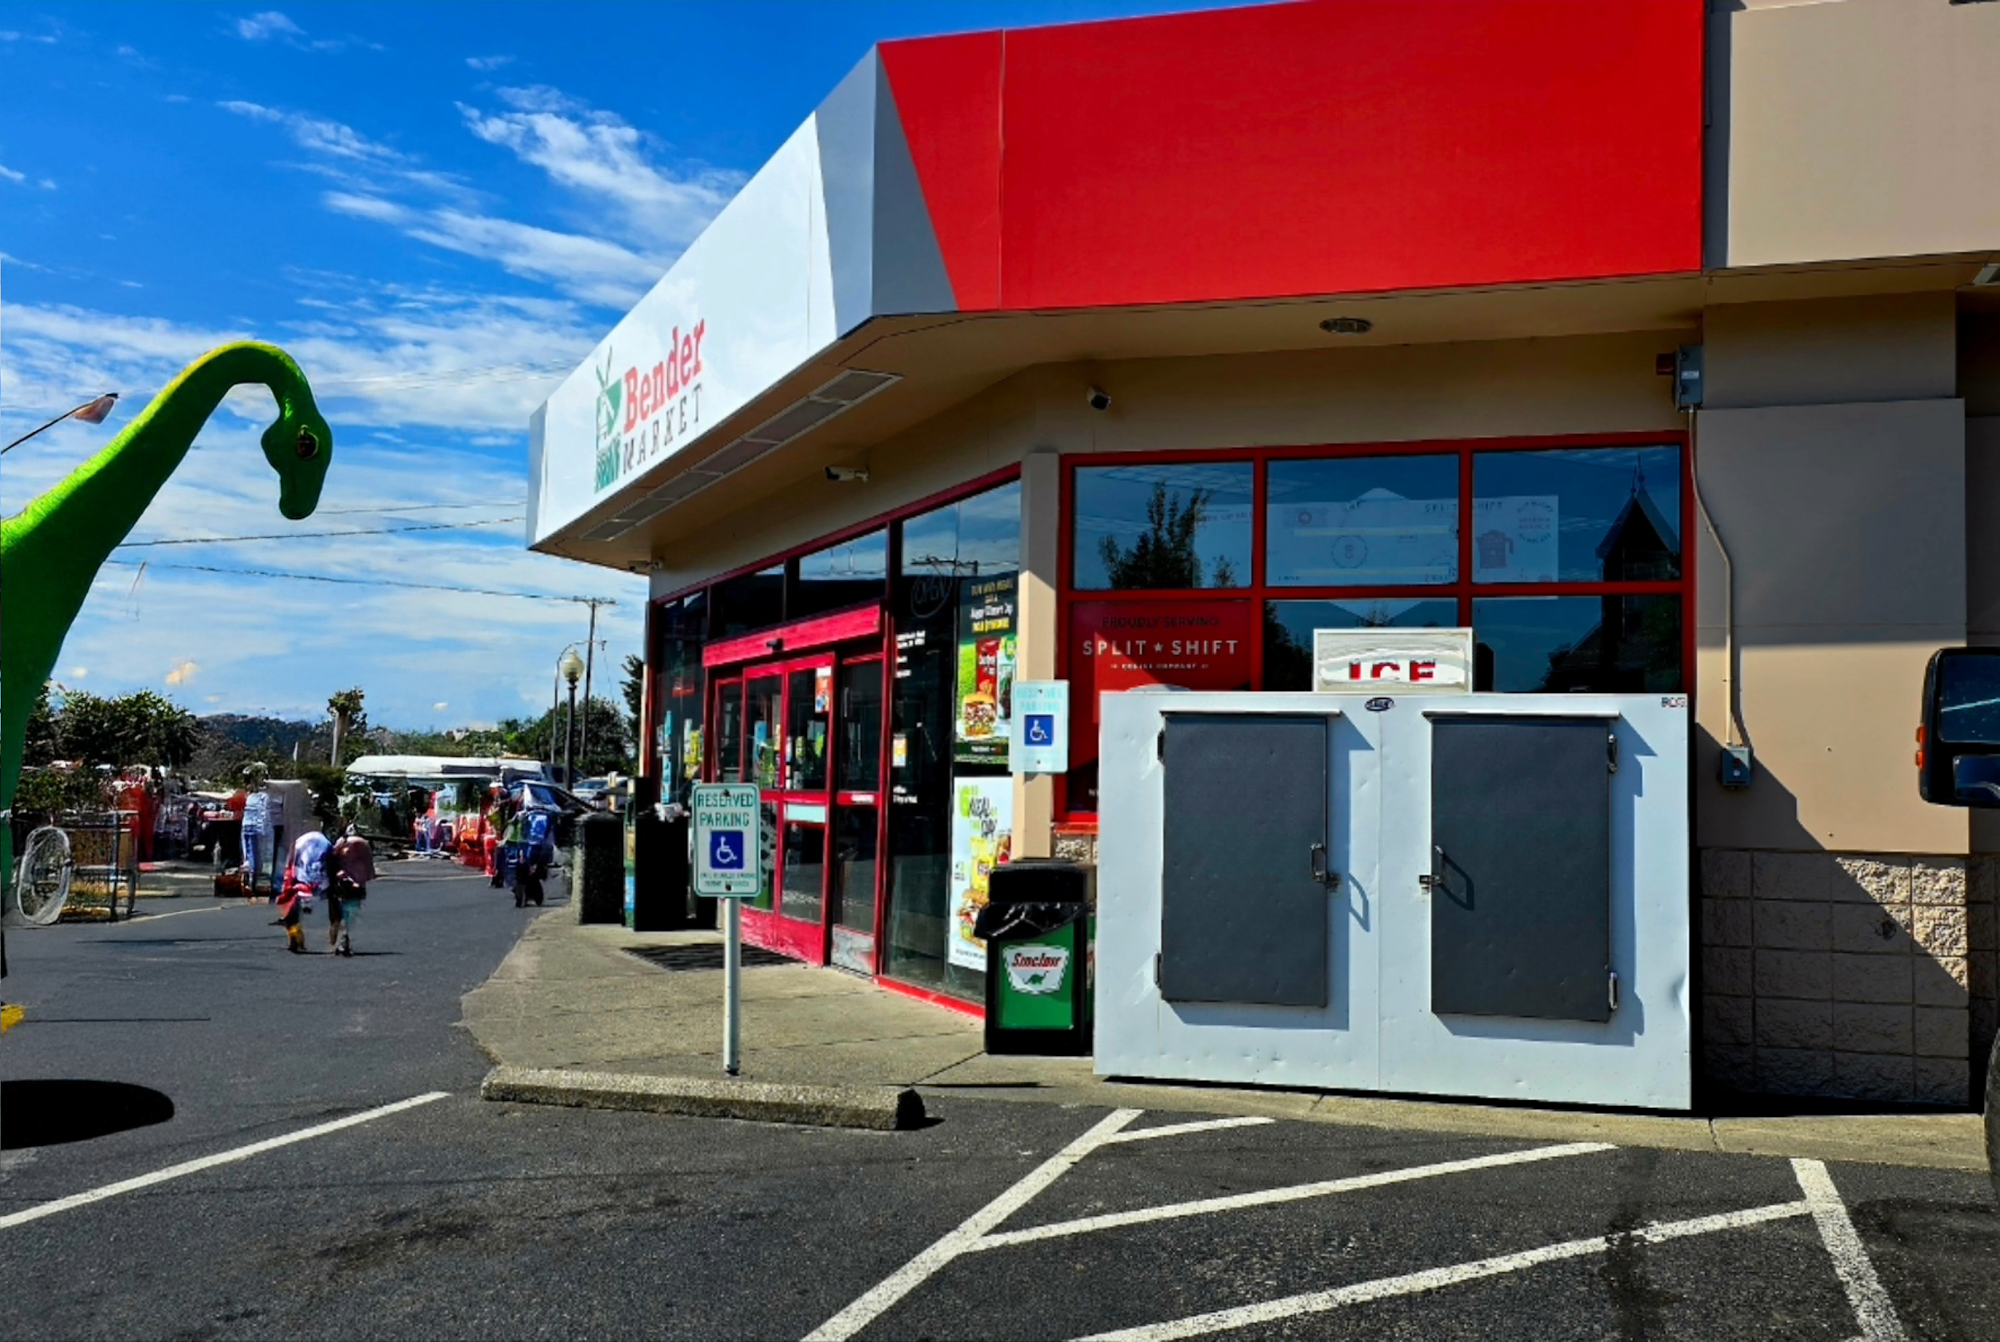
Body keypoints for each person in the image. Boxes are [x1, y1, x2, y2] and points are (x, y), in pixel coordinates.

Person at [325, 825, 377, 958]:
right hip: (358, 884)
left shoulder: (342, 842)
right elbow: (369, 866)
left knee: (339, 913)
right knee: (350, 912)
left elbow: (332, 858)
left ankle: (340, 939)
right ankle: (344, 938)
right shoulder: (364, 844)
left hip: (342, 882)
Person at [278, 828, 331, 954]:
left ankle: (295, 940)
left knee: (291, 914)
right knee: (293, 913)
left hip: (298, 880)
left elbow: (290, 864)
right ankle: (296, 939)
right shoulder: (323, 843)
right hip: (313, 879)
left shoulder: (300, 843)